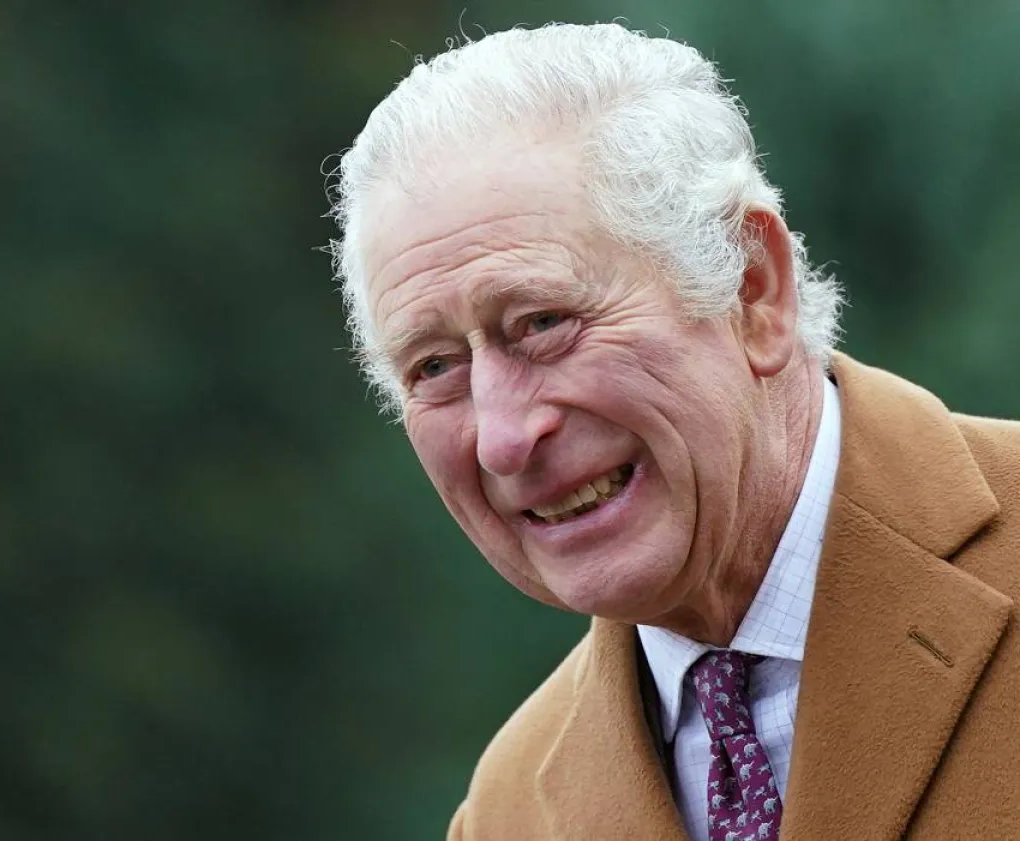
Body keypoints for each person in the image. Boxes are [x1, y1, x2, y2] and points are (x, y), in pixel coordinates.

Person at [327, 22, 1020, 841]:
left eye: (543, 321)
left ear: (751, 288)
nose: (502, 439)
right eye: (435, 368)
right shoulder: (509, 811)